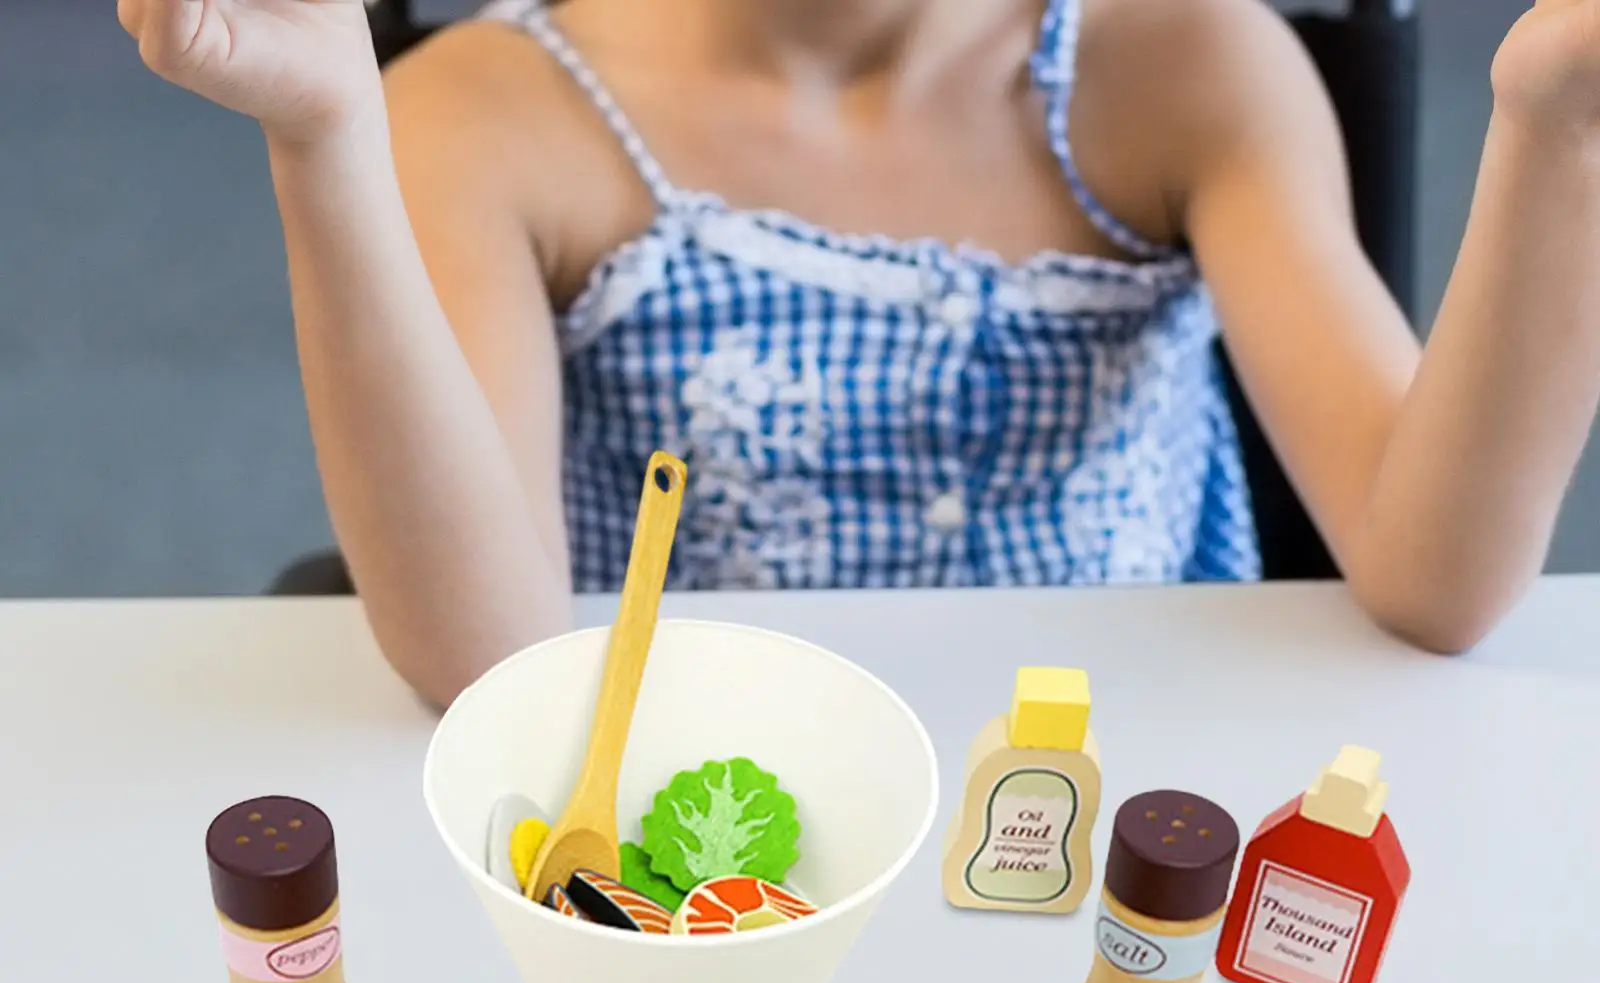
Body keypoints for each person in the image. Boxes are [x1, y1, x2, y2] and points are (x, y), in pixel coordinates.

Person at [120, 0, 1600, 706]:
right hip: (715, 831)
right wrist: (328, 138)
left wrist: (1555, 123)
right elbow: (488, 666)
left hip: (1136, 808)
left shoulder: (1185, 61)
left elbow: (1435, 578)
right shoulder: (492, 110)